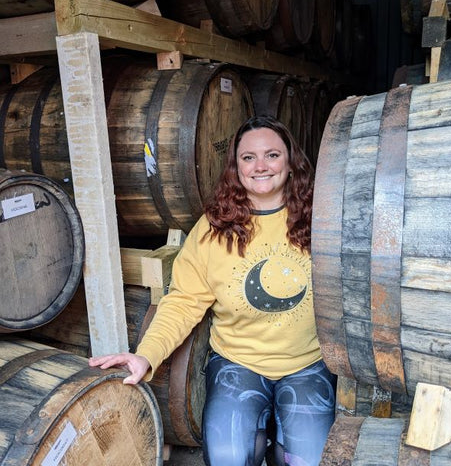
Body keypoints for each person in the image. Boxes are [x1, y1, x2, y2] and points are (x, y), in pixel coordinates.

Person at [89, 115, 336, 466]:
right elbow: (184, 301)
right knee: (229, 458)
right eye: (248, 157)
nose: (261, 166)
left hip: (307, 363)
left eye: (272, 155)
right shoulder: (214, 228)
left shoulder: (320, 220)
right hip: (239, 362)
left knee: (306, 460)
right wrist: (146, 355)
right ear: (235, 167)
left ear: (292, 162)